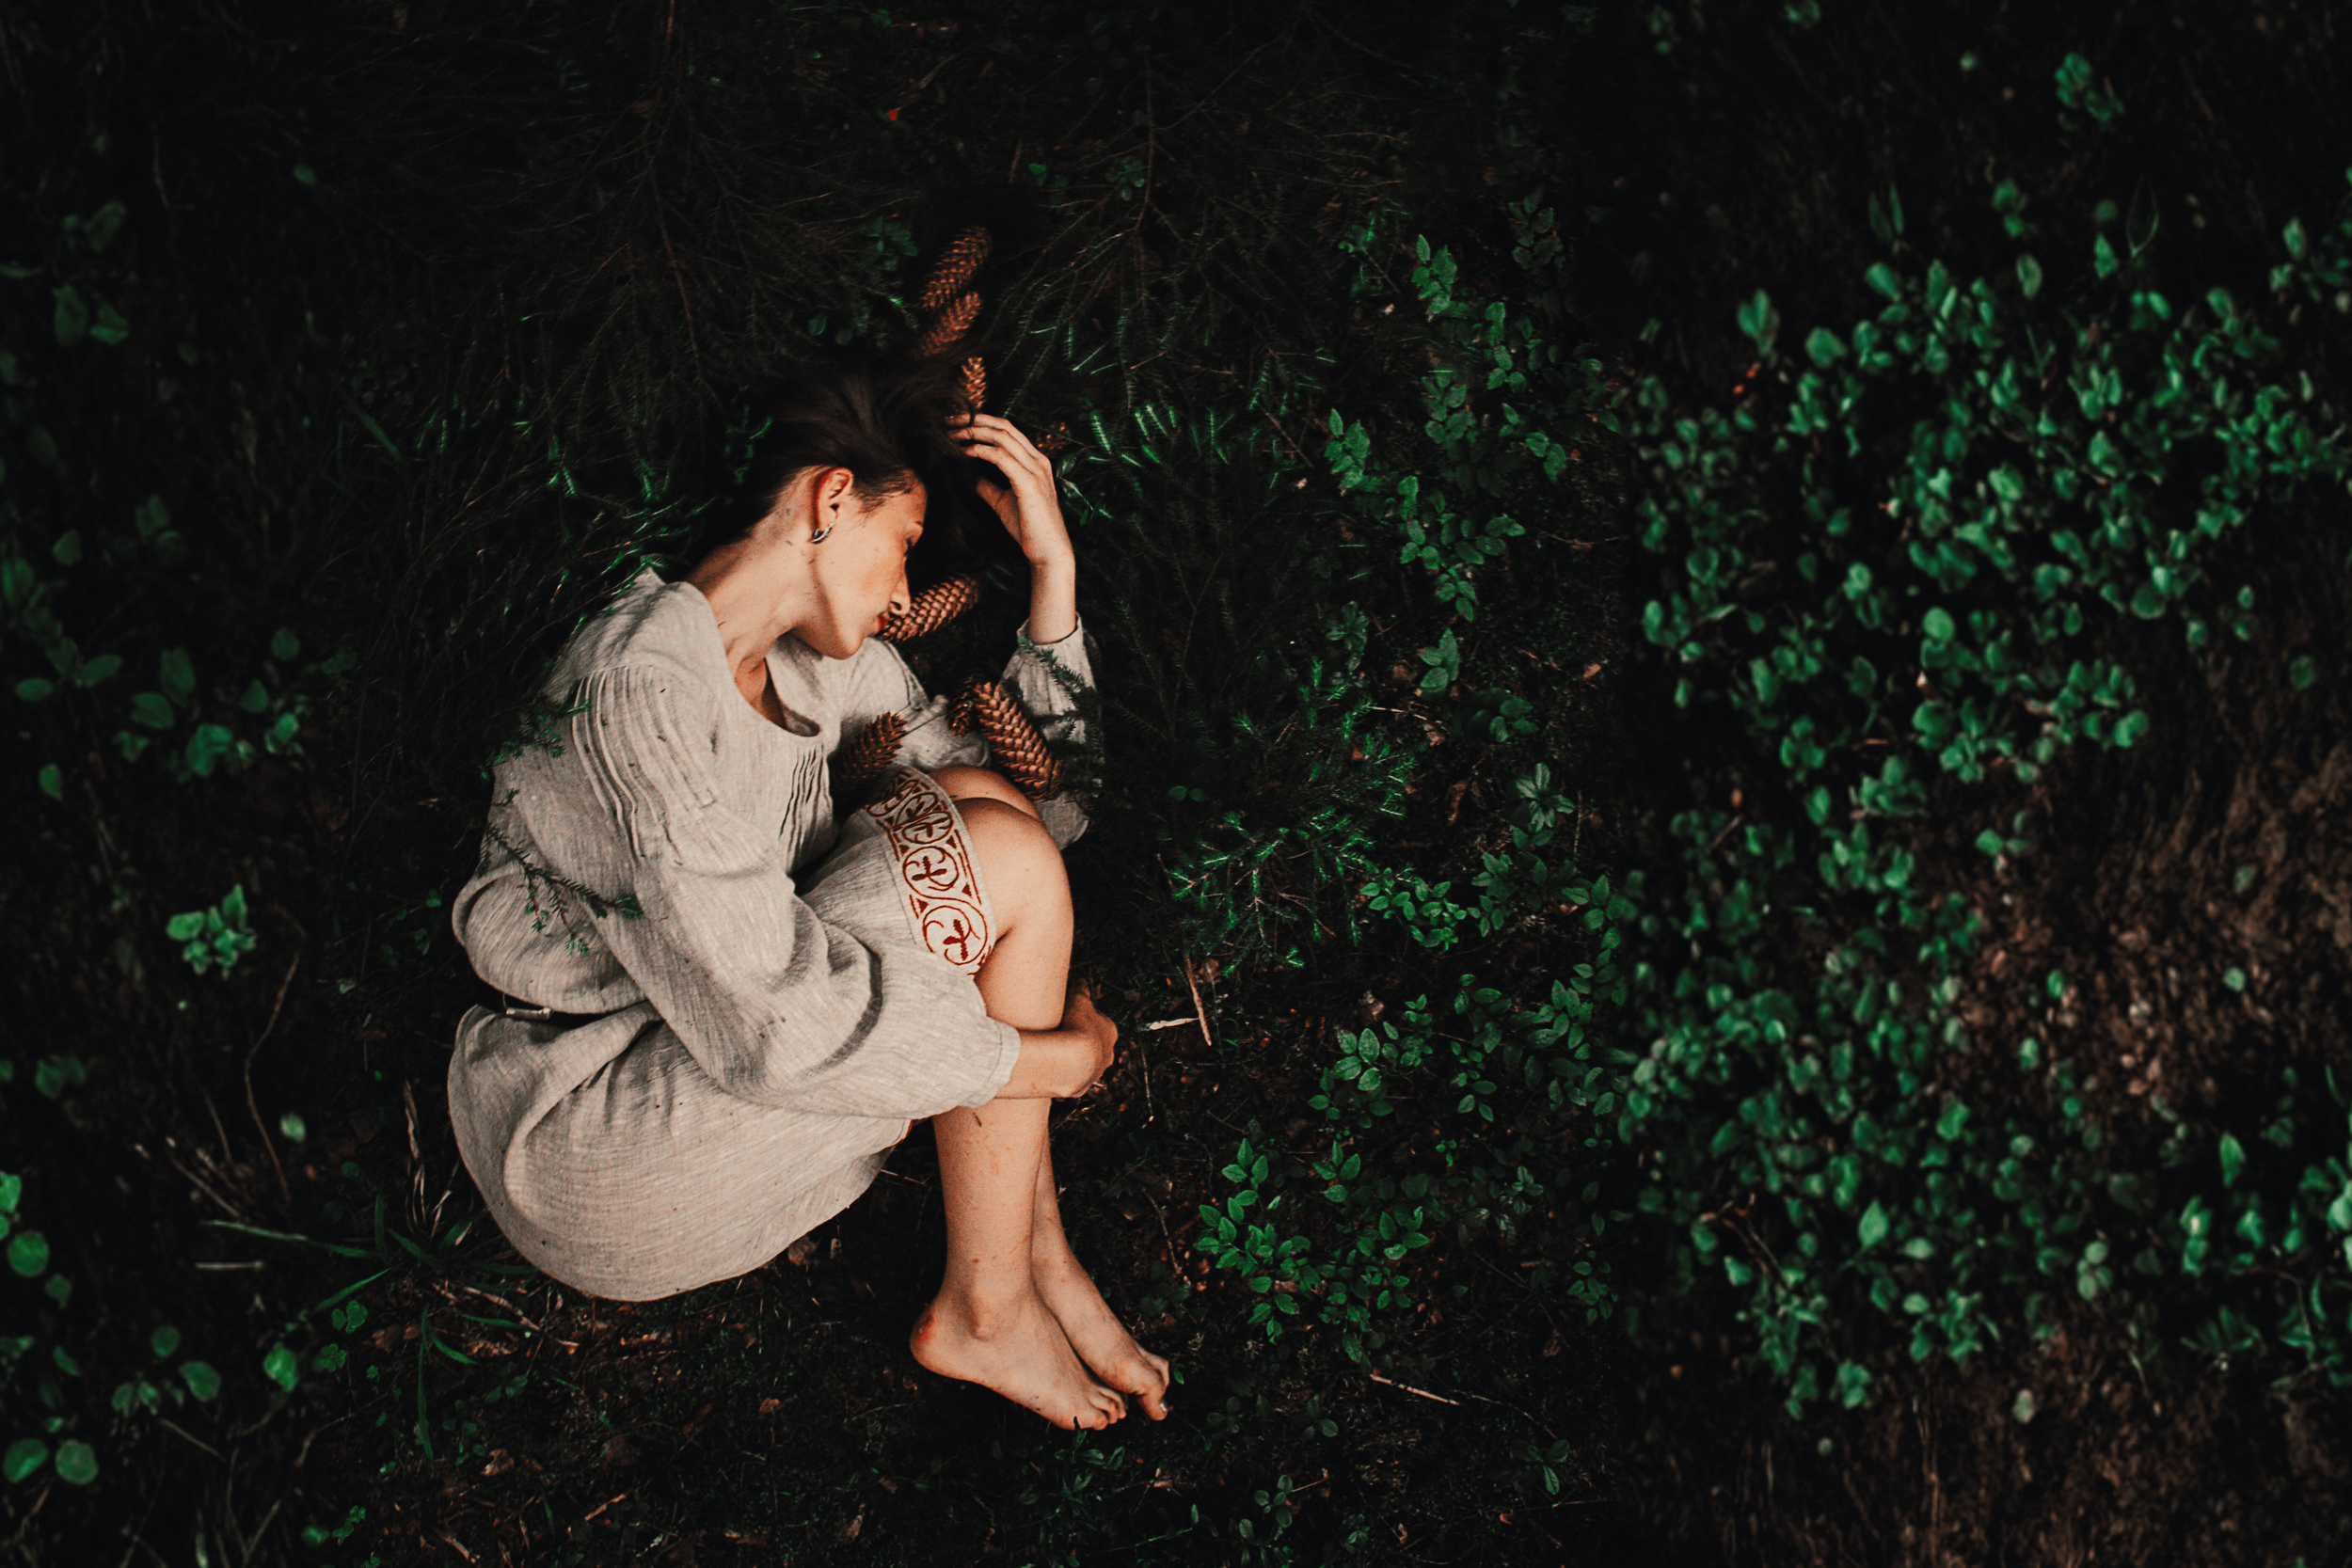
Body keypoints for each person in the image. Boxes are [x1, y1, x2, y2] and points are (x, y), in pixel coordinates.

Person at [445, 352, 1170, 1430]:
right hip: (593, 1142)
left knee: (982, 803)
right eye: (905, 544)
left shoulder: (825, 671)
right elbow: (777, 1031)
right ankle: (988, 1303)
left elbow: (1046, 810)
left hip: (700, 1051)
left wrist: (1051, 572)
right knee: (1004, 864)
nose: (906, 596)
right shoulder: (634, 693)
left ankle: (1028, 1259)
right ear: (831, 498)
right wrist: (1048, 1062)